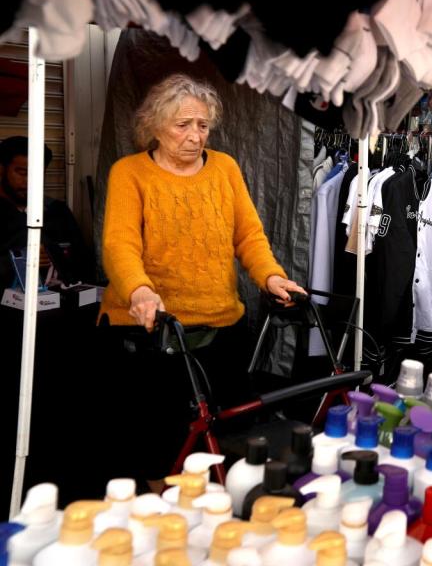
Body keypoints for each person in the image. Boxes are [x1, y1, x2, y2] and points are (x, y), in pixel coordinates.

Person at [99, 74, 305, 488]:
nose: (195, 136)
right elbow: (119, 244)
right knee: (159, 449)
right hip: (152, 330)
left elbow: (248, 235)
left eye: (203, 125)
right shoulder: (130, 173)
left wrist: (271, 276)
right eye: (183, 125)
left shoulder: (225, 168)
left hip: (221, 327)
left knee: (227, 440)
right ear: (154, 125)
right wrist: (139, 290)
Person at [0, 135, 94, 289]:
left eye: (37, 175)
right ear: (2, 170)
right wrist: (18, 261)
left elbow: (84, 264)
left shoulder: (58, 212)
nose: (30, 182)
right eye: (22, 173)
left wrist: (57, 258)